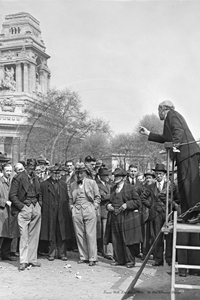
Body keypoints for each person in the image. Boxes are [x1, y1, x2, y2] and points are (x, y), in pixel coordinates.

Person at [139, 100, 200, 223]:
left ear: (163, 109)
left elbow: (178, 130)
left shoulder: (172, 115)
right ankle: (188, 213)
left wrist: (175, 145)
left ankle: (196, 213)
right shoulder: (169, 119)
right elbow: (165, 138)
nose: (158, 113)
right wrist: (148, 133)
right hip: (183, 156)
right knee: (183, 186)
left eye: (158, 110)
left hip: (188, 154)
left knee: (189, 186)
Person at [105, 168, 142, 268]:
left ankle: (130, 260)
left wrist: (127, 204)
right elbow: (110, 201)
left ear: (123, 178)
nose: (116, 178)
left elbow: (138, 202)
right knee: (116, 239)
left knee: (127, 239)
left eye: (118, 177)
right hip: (114, 217)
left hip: (126, 217)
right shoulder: (113, 188)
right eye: (115, 176)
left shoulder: (130, 188)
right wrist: (108, 206)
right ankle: (119, 259)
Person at [9, 159, 42, 271]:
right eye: (30, 167)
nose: (32, 169)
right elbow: (12, 196)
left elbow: (39, 193)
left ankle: (32, 259)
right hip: (24, 207)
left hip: (35, 206)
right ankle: (23, 261)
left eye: (34, 167)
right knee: (24, 235)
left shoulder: (36, 178)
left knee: (34, 235)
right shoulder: (18, 178)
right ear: (26, 166)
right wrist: (22, 207)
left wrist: (39, 205)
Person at [69, 162, 101, 266]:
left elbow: (97, 197)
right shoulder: (72, 185)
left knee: (90, 234)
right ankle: (83, 256)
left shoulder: (91, 183)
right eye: (77, 173)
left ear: (85, 173)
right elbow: (70, 199)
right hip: (77, 210)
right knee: (79, 234)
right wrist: (72, 208)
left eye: (81, 173)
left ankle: (92, 257)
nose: (79, 175)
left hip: (89, 208)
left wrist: (94, 207)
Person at [40, 166, 72, 261]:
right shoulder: (44, 184)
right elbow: (41, 198)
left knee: (62, 232)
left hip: (61, 212)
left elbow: (66, 197)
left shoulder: (63, 184)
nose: (57, 175)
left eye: (58, 173)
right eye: (55, 173)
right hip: (49, 211)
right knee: (51, 232)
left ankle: (62, 253)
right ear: (51, 173)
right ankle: (51, 253)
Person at [0, 163, 17, 261]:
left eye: (11, 171)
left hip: (11, 211)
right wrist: (4, 201)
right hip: (2, 211)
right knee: (1, 233)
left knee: (9, 233)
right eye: (7, 171)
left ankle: (5, 253)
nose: (9, 173)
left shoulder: (12, 182)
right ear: (2, 171)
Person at [96, 167, 113, 259]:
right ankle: (104, 251)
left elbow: (106, 196)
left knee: (108, 230)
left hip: (109, 210)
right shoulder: (97, 185)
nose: (107, 177)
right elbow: (102, 197)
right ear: (100, 176)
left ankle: (107, 251)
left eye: (107, 175)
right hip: (103, 211)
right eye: (105, 175)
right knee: (103, 231)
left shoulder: (109, 185)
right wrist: (113, 195)